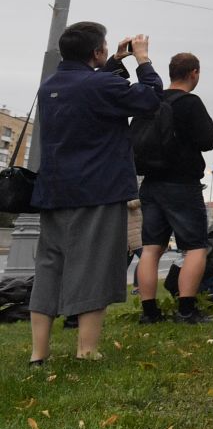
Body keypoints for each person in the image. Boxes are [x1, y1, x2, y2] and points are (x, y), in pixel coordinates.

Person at [27, 23, 164, 365]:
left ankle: (38, 353)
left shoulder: (50, 86)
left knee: (49, 267)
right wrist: (142, 60)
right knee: (94, 266)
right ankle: (87, 350)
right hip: (97, 190)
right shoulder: (101, 84)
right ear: (97, 52)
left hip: (54, 190)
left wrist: (114, 61)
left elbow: (92, 90)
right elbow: (150, 98)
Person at [134, 52, 213, 325]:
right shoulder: (190, 103)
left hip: (150, 184)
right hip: (182, 184)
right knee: (195, 247)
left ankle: (149, 312)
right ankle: (186, 310)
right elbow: (208, 140)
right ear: (194, 73)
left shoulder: (152, 99)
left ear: (171, 73)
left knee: (150, 248)